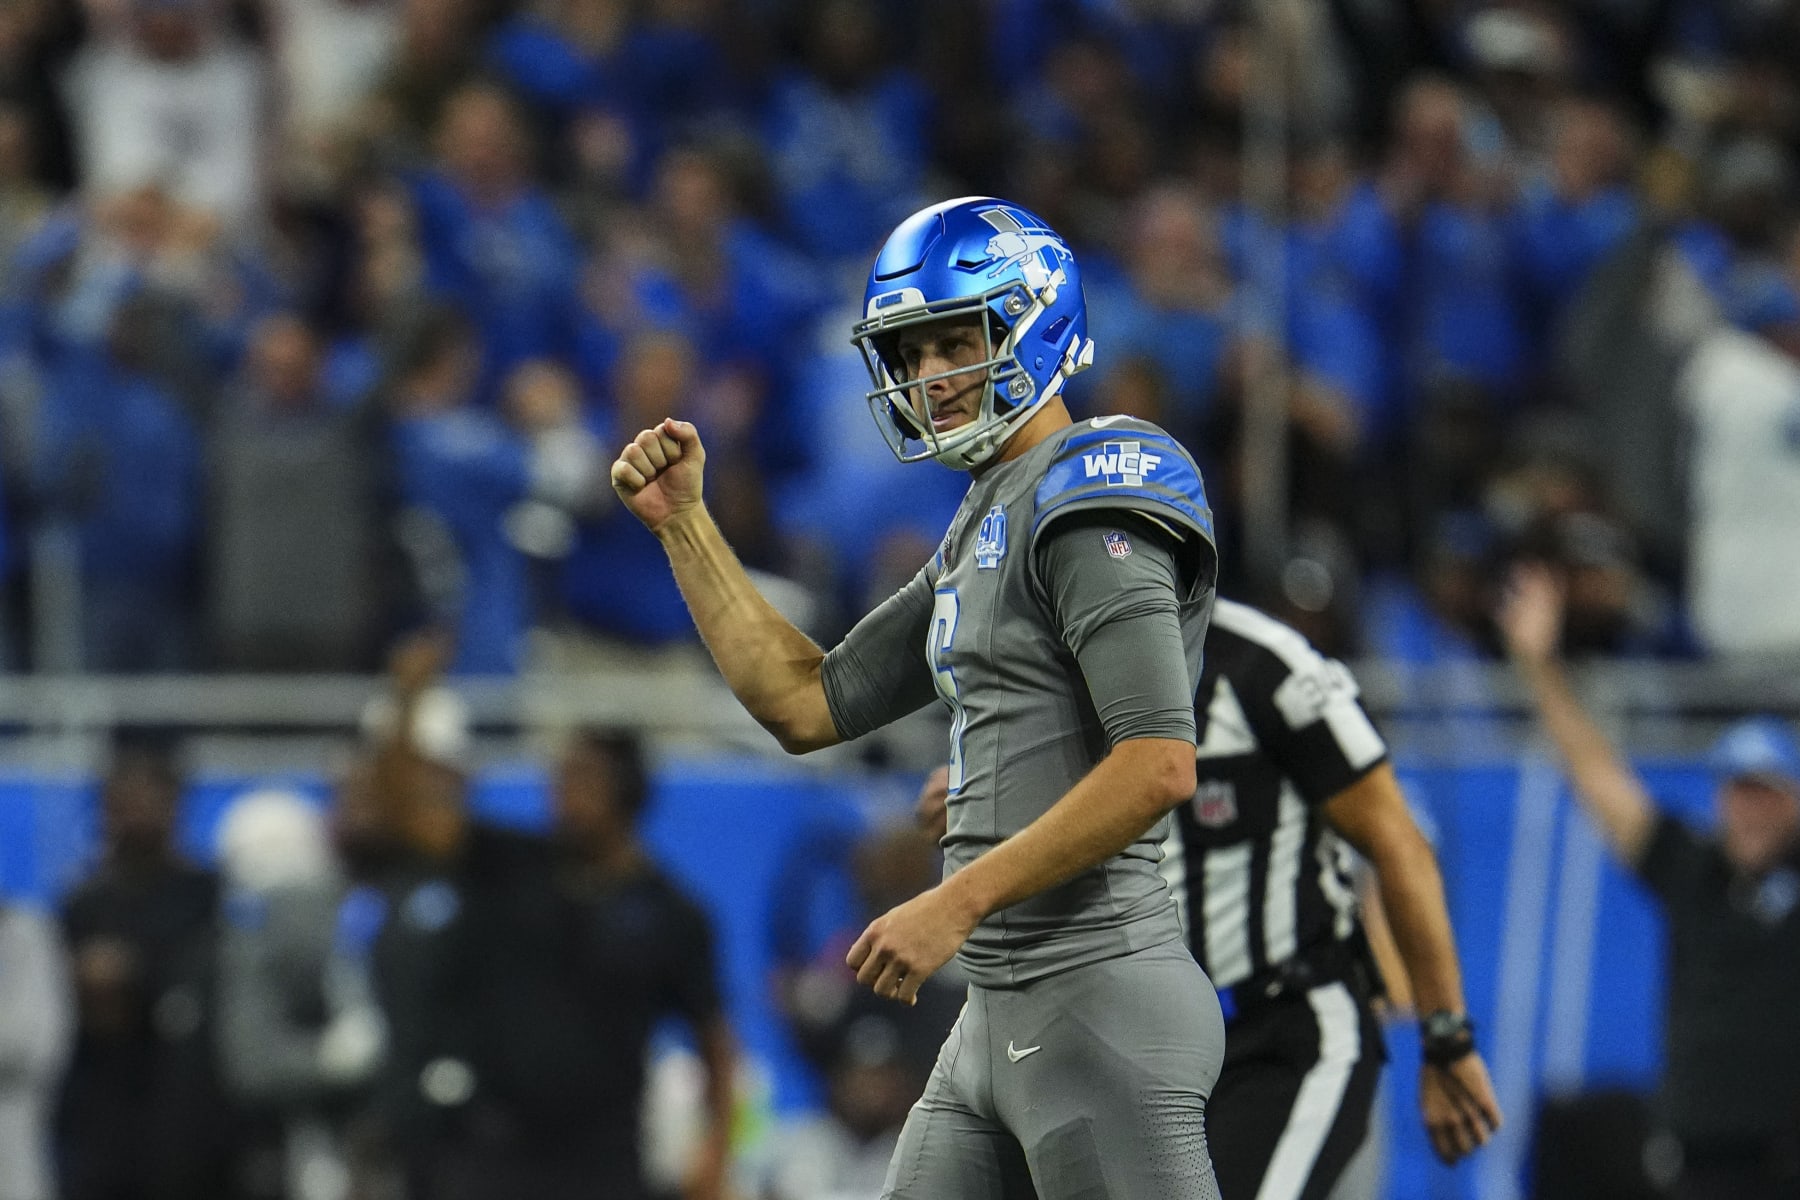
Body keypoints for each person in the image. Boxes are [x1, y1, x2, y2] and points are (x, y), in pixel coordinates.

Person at [612, 196, 1225, 1197]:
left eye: (954, 343)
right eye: (911, 353)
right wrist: (686, 526)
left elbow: (1157, 763)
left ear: (1036, 321)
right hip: (999, 1008)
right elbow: (805, 702)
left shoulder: (1094, 488)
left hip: (1096, 993)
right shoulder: (984, 518)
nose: (930, 378)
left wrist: (958, 897)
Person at [1166, 598, 1501, 1198]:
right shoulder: (1056, 669)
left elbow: (1400, 847)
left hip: (1285, 1032)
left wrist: (1446, 1037)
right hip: (1145, 1048)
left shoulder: (1265, 667)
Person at [1499, 564, 1800, 1200]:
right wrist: (1537, 663)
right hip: (1695, 1166)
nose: (1747, 809)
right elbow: (1595, 774)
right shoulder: (1693, 871)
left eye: (1766, 793)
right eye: (1737, 791)